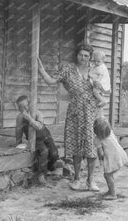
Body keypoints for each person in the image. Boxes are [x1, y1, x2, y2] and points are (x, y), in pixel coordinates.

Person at [37, 44, 100, 191]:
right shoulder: (67, 69)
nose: (83, 58)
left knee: (91, 147)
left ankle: (91, 181)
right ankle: (77, 179)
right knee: (77, 147)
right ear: (76, 55)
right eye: (80, 54)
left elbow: (106, 89)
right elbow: (50, 81)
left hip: (92, 111)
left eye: (86, 55)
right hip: (75, 112)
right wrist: (41, 69)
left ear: (90, 58)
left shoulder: (95, 72)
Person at [15, 95, 63, 185]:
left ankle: (52, 168)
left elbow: (39, 127)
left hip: (46, 135)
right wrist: (18, 142)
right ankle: (41, 174)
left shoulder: (37, 113)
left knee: (53, 151)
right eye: (22, 107)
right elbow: (18, 131)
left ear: (30, 104)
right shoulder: (20, 118)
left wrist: (29, 119)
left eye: (27, 105)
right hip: (35, 139)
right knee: (43, 152)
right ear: (19, 108)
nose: (25, 108)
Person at [93, 116, 128, 200]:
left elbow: (100, 152)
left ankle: (113, 194)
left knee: (107, 175)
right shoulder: (111, 133)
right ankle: (111, 191)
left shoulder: (97, 139)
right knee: (109, 174)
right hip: (120, 155)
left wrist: (101, 160)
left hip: (112, 158)